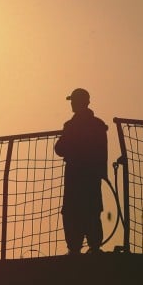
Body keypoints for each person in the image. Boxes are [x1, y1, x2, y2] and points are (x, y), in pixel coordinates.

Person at [54, 88, 108, 255]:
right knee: (91, 209)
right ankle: (94, 246)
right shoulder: (98, 125)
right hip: (92, 176)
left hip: (75, 176)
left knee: (72, 211)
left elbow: (60, 148)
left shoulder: (71, 126)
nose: (71, 104)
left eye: (73, 101)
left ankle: (74, 248)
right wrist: (101, 172)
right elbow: (102, 152)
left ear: (79, 103)